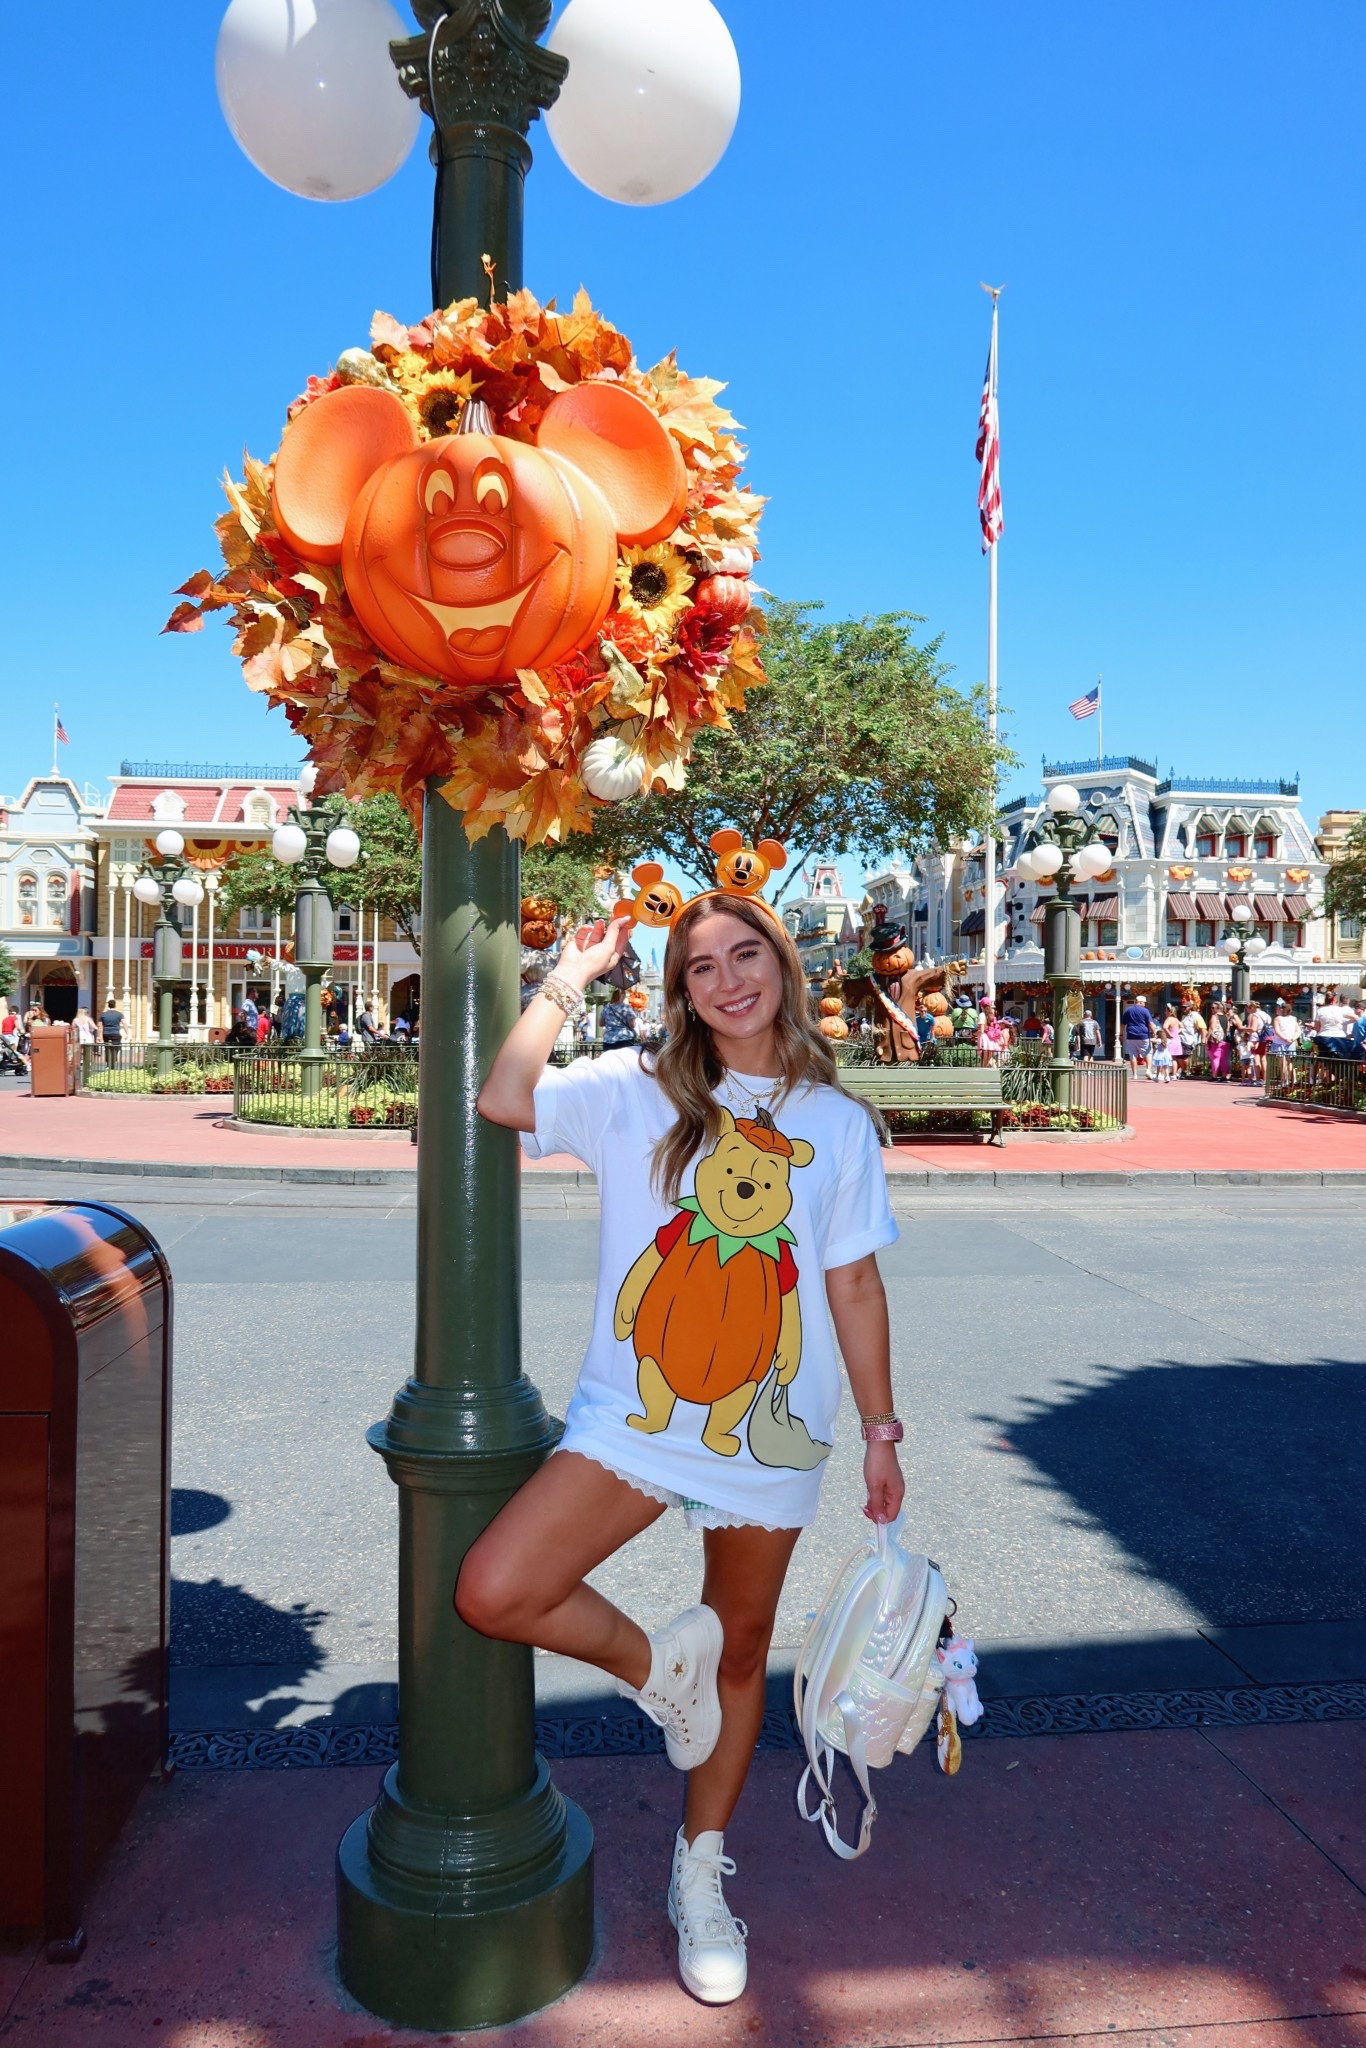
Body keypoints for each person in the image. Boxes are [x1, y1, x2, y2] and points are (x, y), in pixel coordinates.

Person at [465, 890, 902, 2005]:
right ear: (680, 989)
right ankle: (661, 1670)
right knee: (497, 1585)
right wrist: (571, 972)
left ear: (781, 964)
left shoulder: (838, 1123)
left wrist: (881, 1430)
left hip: (775, 1428)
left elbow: (850, 1281)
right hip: (635, 1417)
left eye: (743, 953)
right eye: (699, 965)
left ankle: (700, 1869)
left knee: (745, 1650)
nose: (726, 979)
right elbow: (503, 1093)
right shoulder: (635, 1088)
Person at [1120, 992, 1155, 1079]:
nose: (1144, 1005)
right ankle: (1148, 1070)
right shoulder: (1145, 1011)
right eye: (1144, 1003)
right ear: (1141, 1002)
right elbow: (1150, 1023)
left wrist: (1121, 1034)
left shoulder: (1128, 1010)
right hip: (1143, 1035)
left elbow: (1122, 1024)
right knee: (1148, 1052)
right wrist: (1154, 1031)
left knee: (1132, 1054)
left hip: (1131, 1035)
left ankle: (1134, 1074)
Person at [1178, 1000, 1207, 1077]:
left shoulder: (1195, 1016)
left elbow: (1203, 1028)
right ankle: (1179, 1071)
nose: (1183, 1008)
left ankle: (1185, 1071)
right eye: (1182, 1007)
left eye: (1185, 1007)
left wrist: (1203, 1039)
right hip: (1181, 1039)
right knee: (1179, 1057)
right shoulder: (1185, 1016)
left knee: (1183, 1057)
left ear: (1190, 1007)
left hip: (1189, 1040)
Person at [99, 995, 124, 1069]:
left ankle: (108, 1063)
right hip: (116, 1033)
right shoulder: (119, 1014)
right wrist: (127, 1033)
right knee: (116, 1048)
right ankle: (114, 1061)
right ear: (115, 1005)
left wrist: (99, 1035)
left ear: (108, 1005)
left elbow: (100, 1026)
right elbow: (124, 1023)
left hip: (106, 1033)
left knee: (107, 1047)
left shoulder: (103, 1015)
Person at [1207, 1004, 1230, 1081]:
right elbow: (1227, 1029)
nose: (1211, 1009)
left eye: (1213, 1007)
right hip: (1225, 1040)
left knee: (1215, 1058)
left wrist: (1206, 1038)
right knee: (1223, 1059)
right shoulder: (1226, 1017)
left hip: (1216, 1040)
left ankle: (1214, 1076)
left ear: (1218, 1008)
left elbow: (1211, 1028)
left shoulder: (1214, 1016)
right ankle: (1224, 1076)